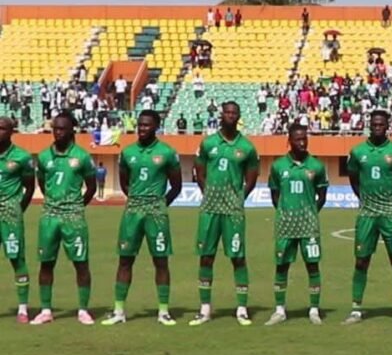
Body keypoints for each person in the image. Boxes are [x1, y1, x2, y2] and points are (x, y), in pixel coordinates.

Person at [101, 110, 183, 326]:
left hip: (156, 213)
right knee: (125, 260)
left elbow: (177, 186)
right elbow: (125, 182)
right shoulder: (128, 153)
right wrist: (137, 200)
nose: (142, 128)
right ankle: (119, 311)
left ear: (156, 126)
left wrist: (160, 205)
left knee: (161, 261)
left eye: (147, 125)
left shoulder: (167, 152)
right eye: (140, 125)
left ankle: (163, 312)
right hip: (133, 212)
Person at [190, 102, 259, 326]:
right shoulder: (208, 143)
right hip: (210, 209)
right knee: (206, 256)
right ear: (221, 115)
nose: (230, 116)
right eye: (227, 112)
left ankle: (242, 309)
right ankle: (205, 309)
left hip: (233, 210)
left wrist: (239, 198)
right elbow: (199, 171)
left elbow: (252, 178)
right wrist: (208, 193)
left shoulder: (247, 147)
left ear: (238, 117)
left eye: (234, 113)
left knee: (238, 257)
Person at [342, 110, 392, 325]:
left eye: (381, 124)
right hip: (367, 214)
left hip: (390, 213)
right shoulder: (358, 152)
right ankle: (356, 309)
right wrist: (364, 199)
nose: (377, 128)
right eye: (374, 124)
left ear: (387, 126)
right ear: (369, 126)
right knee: (361, 260)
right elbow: (353, 178)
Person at [30, 112, 97, 325]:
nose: (57, 133)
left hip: (73, 217)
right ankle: (46, 310)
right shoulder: (43, 156)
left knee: (81, 263)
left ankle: (83, 310)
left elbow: (91, 187)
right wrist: (53, 201)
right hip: (49, 216)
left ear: (71, 131)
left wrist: (76, 206)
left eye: (62, 129)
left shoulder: (82, 156)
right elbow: (42, 183)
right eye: (55, 129)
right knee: (46, 263)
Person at [264, 124, 328, 325]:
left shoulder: (316, 166)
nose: (302, 143)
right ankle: (280, 310)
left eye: (304, 139)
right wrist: (285, 213)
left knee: (312, 265)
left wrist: (310, 214)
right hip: (285, 225)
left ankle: (314, 310)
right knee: (281, 266)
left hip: (309, 226)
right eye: (298, 139)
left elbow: (322, 196)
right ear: (289, 141)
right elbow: (275, 195)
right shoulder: (278, 166)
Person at [0, 117, 35, 323]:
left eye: (2, 128)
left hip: (10, 214)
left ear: (11, 131)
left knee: (17, 258)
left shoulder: (22, 157)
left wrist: (19, 209)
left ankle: (23, 309)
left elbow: (29, 187)